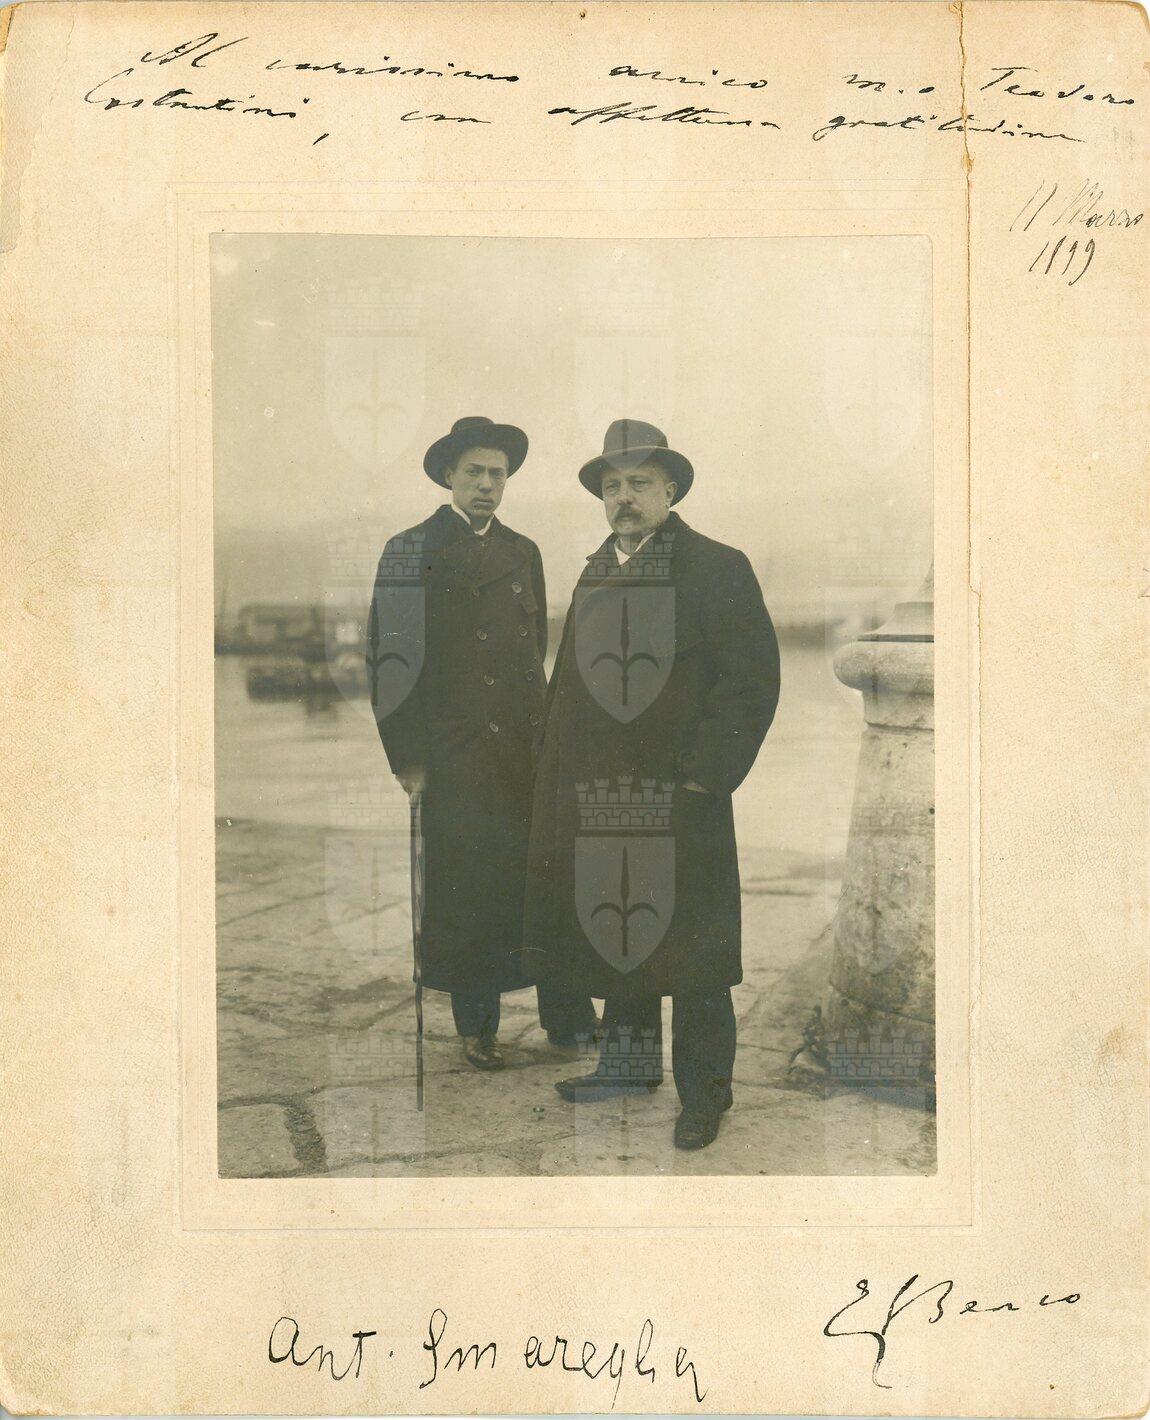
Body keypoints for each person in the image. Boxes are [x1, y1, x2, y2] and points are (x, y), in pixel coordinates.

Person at [523, 419, 780, 1148]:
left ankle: (706, 1093)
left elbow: (751, 683)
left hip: (682, 796)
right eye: (612, 486)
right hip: (602, 795)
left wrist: (704, 779)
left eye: (639, 483)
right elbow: (568, 689)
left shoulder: (718, 567)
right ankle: (629, 1067)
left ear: (671, 490)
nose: (624, 498)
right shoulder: (596, 569)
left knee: (697, 954)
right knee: (619, 929)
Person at [369, 415, 597, 1070]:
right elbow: (390, 665)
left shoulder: (524, 552)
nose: (487, 485)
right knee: (468, 890)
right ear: (449, 475)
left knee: (544, 879)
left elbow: (534, 652)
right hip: (456, 753)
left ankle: (568, 1020)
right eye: (475, 472)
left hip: (524, 749)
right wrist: (409, 760)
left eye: (498, 474)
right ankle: (478, 1028)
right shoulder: (409, 548)